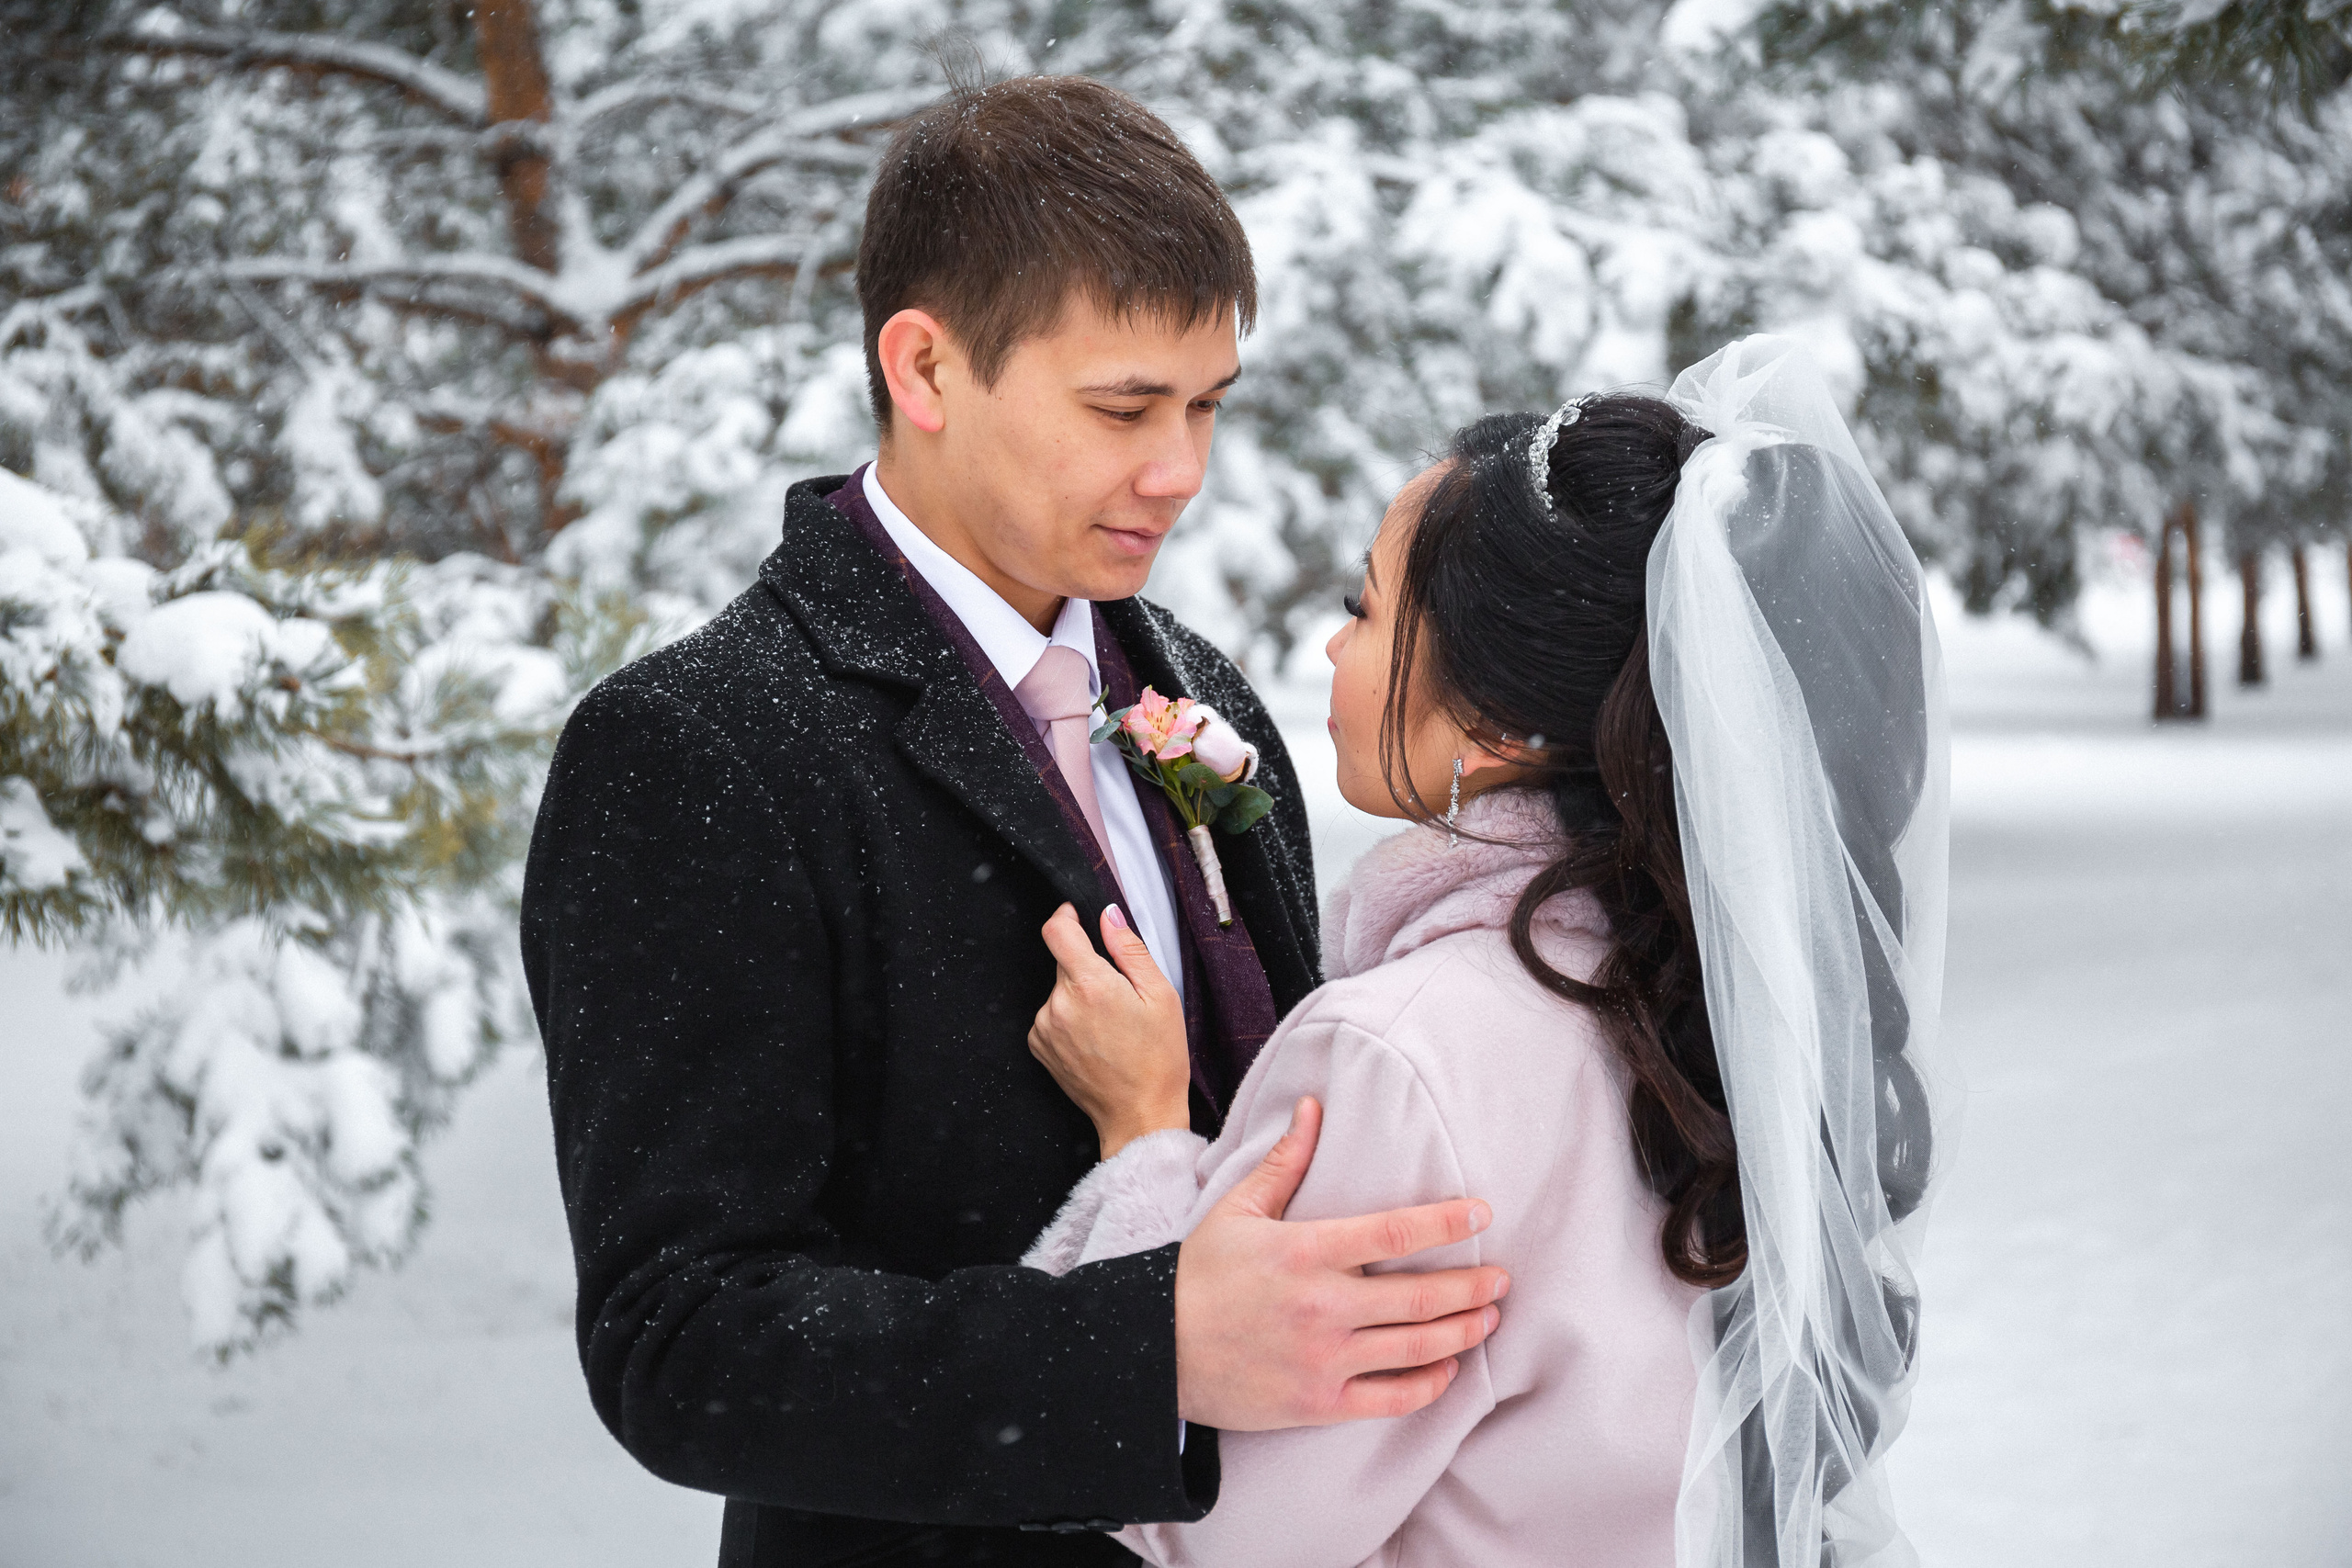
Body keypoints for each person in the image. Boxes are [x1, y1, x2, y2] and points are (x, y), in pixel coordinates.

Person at [519, 75, 1511, 1568]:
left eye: (1204, 407)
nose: (1178, 470)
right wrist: (1147, 1351)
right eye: (1123, 407)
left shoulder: (1206, 695)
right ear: (923, 366)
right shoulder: (693, 748)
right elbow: (682, 1340)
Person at [1023, 337, 1950, 1567]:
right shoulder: (1732, 1008)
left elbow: (1215, 1526)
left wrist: (1143, 1143)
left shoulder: (1402, 1060)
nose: (1331, 652)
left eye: (1366, 609)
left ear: (1503, 721)